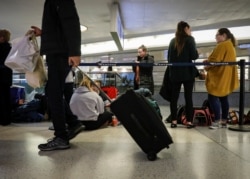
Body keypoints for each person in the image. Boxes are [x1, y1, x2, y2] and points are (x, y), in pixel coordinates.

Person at [30, 0, 84, 151]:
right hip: (57, 51)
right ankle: (73, 123)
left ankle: (61, 136)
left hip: (60, 52)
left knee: (53, 92)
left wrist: (75, 51)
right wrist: (43, 33)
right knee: (51, 91)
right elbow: (59, 26)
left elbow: (71, 21)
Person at [204, 28, 239, 129]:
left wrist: (207, 65)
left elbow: (215, 61)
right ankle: (224, 121)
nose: (215, 37)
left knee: (212, 97)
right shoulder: (230, 45)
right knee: (224, 98)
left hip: (219, 77)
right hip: (226, 77)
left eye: (217, 35)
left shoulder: (222, 45)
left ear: (223, 35)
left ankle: (216, 121)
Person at [166, 21, 199, 128]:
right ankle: (189, 122)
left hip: (175, 74)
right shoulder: (190, 39)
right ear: (185, 29)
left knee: (174, 98)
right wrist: (196, 51)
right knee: (188, 97)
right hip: (188, 73)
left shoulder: (172, 41)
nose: (190, 31)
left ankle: (174, 121)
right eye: (189, 29)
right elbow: (194, 56)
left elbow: (169, 58)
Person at [0, 29, 12, 126]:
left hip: (1, 77)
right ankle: (6, 119)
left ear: (2, 38)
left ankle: (3, 119)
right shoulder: (9, 48)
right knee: (6, 99)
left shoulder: (2, 48)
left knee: (2, 100)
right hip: (6, 78)